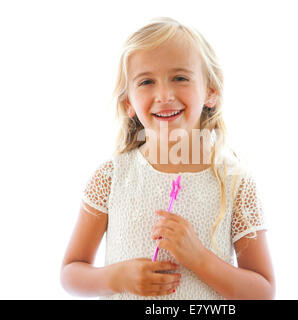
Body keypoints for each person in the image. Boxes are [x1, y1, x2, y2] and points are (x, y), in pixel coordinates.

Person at [60, 17, 275, 300]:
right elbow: (71, 273)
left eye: (180, 78)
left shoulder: (234, 182)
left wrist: (199, 258)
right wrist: (117, 276)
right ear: (129, 103)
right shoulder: (111, 178)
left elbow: (263, 292)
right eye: (147, 81)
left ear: (211, 91)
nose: (164, 95)